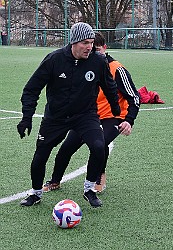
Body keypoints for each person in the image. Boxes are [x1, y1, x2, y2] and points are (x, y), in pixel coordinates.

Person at [17, 22, 121, 208]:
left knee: (98, 146)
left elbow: (109, 86)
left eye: (91, 42)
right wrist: (26, 117)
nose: (89, 47)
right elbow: (31, 90)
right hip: (56, 117)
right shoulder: (54, 60)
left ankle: (89, 189)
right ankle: (36, 193)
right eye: (85, 43)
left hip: (85, 115)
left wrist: (115, 109)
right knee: (41, 154)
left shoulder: (98, 61)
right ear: (73, 42)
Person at [43, 31, 140, 194]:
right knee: (67, 147)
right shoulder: (83, 65)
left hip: (113, 117)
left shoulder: (117, 68)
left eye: (96, 49)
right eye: (88, 48)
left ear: (104, 48)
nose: (91, 52)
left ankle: (98, 176)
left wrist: (129, 120)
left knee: (99, 144)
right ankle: (55, 181)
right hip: (89, 116)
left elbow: (134, 97)